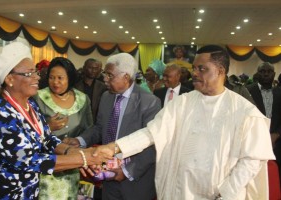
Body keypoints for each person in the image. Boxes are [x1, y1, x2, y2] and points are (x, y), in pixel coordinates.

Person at [93, 45, 275, 200]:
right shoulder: (183, 102)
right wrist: (114, 147)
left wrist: (225, 194)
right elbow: (151, 133)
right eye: (194, 68)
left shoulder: (245, 112)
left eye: (201, 69)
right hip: (180, 191)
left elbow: (250, 162)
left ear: (221, 71)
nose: (194, 73)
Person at [0, 42, 102, 199]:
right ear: (10, 79)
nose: (37, 77)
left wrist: (73, 151)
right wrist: (83, 158)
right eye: (29, 73)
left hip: (29, 191)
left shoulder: (29, 104)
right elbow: (30, 160)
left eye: (36, 72)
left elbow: (46, 138)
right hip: (2, 193)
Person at [63, 53, 161, 200]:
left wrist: (127, 171)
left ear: (126, 77)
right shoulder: (106, 97)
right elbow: (99, 128)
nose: (105, 79)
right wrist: (80, 140)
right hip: (108, 177)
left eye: (110, 75)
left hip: (135, 181)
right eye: (105, 74)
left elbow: (153, 145)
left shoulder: (150, 102)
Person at [33, 57, 93, 199]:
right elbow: (27, 131)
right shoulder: (38, 97)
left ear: (70, 78)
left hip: (71, 165)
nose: (55, 82)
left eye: (60, 78)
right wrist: (47, 126)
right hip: (44, 166)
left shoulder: (82, 99)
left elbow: (90, 128)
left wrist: (79, 141)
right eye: (52, 77)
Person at [246, 62, 281, 180]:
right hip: (254, 141)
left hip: (277, 142)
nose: (266, 74)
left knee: (276, 176)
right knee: (255, 176)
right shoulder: (247, 92)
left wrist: (276, 134)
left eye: (269, 72)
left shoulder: (279, 93)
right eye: (262, 71)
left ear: (274, 74)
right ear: (257, 73)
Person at [75, 58, 107, 123]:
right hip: (78, 122)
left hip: (95, 123)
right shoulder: (75, 86)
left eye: (96, 68)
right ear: (84, 68)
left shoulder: (103, 87)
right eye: (90, 67)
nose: (93, 71)